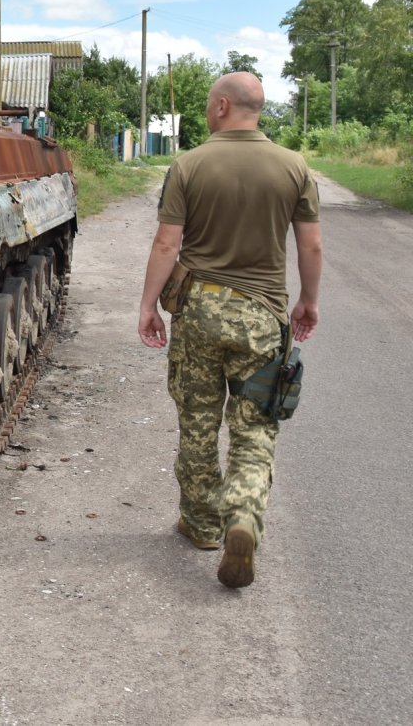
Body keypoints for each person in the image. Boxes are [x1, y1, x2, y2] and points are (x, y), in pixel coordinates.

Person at [138, 71, 322, 589]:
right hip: (262, 318)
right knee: (255, 427)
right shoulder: (294, 167)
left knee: (198, 420)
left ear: (222, 106)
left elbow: (166, 246)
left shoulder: (189, 164)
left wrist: (149, 306)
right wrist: (308, 301)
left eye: (207, 103)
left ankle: (201, 526)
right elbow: (310, 246)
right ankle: (242, 515)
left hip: (198, 311)